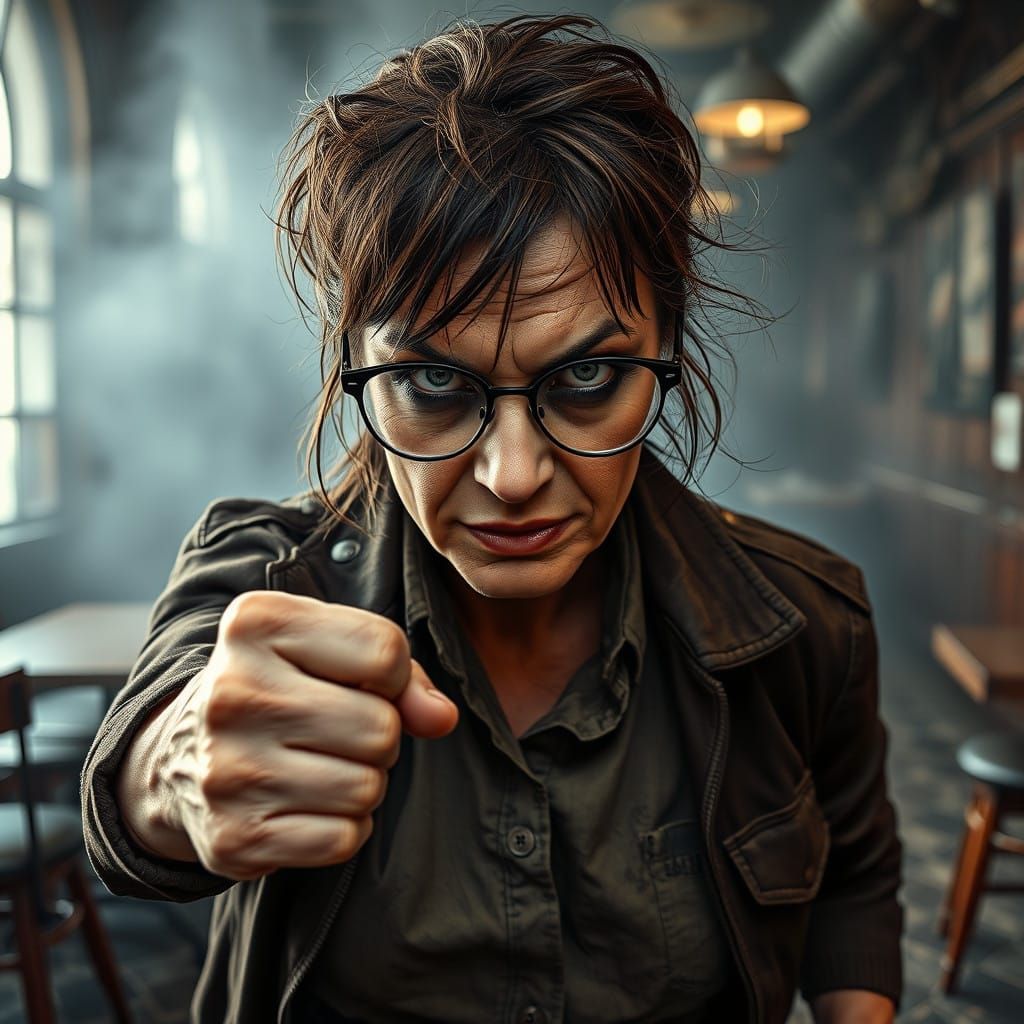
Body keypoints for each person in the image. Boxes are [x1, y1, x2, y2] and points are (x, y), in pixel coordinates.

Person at [81, 13, 903, 1024]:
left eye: (588, 377)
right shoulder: (264, 575)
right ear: (356, 374)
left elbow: (855, 873)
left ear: (667, 360)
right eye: (433, 380)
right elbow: (143, 770)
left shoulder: (805, 621)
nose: (512, 475)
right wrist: (174, 772)